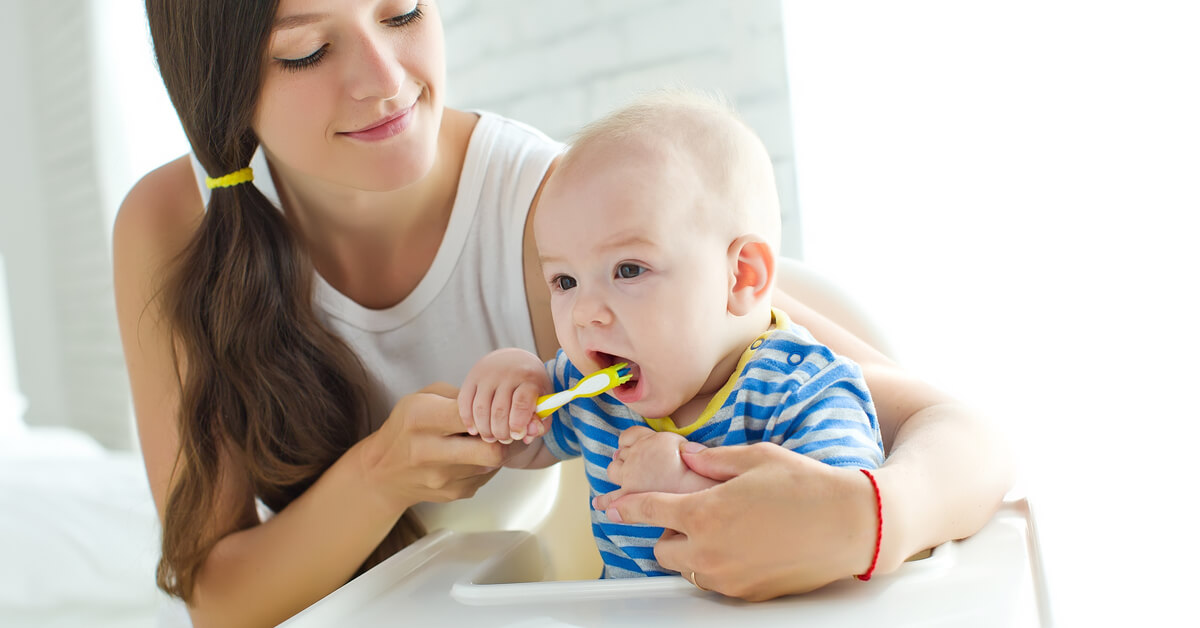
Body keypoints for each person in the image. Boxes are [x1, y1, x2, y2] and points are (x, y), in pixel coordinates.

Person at [111, 1, 1012, 626]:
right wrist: (380, 475)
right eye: (307, 51)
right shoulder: (173, 227)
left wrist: (864, 519)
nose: (385, 81)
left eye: (404, 13)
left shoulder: (568, 226)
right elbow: (219, 603)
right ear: (218, 84)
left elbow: (961, 436)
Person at [457, 91, 886, 579]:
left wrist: (688, 488)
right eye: (565, 281)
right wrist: (510, 392)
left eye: (628, 269)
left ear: (741, 277)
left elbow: (837, 534)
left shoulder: (803, 392)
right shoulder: (591, 389)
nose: (585, 313)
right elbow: (525, 442)